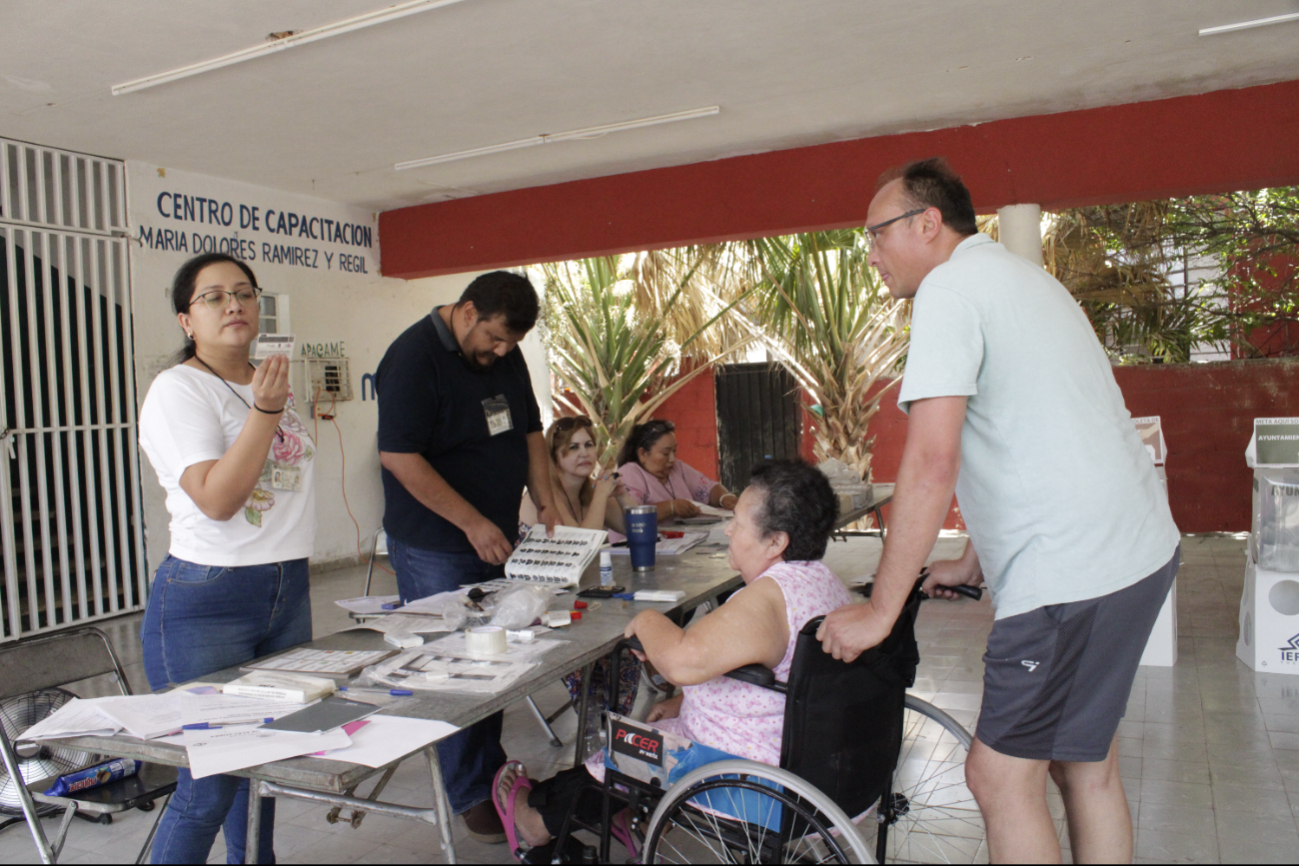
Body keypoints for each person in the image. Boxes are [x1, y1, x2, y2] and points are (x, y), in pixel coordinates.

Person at [817, 158, 1180, 864]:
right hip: (1134, 549)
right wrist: (972, 555)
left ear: (927, 224)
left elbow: (930, 462)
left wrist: (878, 611)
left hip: (1071, 572)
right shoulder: (1021, 279)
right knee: (1085, 763)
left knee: (997, 776)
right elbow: (1034, 432)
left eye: (877, 234)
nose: (870, 253)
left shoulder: (950, 291)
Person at [492, 460, 852, 862]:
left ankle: (537, 819)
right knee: (655, 726)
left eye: (738, 522)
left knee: (630, 745)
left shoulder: (770, 598)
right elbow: (780, 678)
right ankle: (596, 808)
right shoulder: (822, 583)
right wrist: (684, 701)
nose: (729, 530)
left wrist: (648, 621)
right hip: (824, 767)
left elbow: (680, 662)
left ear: (775, 542)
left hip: (754, 778)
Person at [137, 252, 315, 864]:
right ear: (187, 320)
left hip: (286, 586)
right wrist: (265, 412)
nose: (233, 304)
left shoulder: (269, 379)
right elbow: (217, 499)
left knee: (258, 772)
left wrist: (270, 404)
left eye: (243, 292)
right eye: (213, 297)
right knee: (210, 782)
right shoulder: (177, 389)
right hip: (208, 598)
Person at [375, 270, 558, 843]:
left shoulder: (505, 356)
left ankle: (487, 775)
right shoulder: (412, 357)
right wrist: (472, 522)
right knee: (452, 668)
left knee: (493, 658)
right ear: (468, 311)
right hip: (437, 543)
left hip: (497, 534)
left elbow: (530, 432)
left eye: (511, 345)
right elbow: (400, 458)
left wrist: (546, 501)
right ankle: (470, 792)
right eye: (495, 339)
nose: (501, 352)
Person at [520, 415, 628, 535]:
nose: (584, 453)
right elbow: (580, 545)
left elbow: (638, 530)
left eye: (588, 445)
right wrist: (601, 495)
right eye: (573, 447)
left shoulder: (592, 488)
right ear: (555, 457)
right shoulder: (546, 492)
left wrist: (622, 495)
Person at [617, 419, 738, 522]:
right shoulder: (629, 473)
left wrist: (724, 497)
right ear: (643, 454)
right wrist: (671, 507)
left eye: (674, 451)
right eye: (665, 453)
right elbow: (632, 514)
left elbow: (710, 488)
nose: (672, 459)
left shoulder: (678, 468)